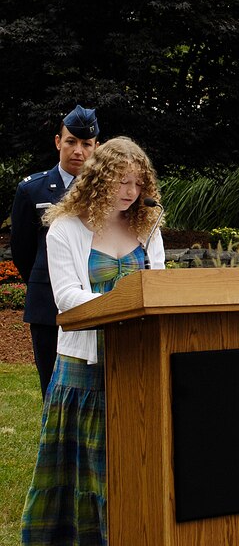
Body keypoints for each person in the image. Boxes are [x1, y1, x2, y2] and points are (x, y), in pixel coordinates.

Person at [20, 137, 165, 546]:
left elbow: (158, 288)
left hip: (138, 362)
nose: (130, 192)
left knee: (133, 465)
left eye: (137, 183)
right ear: (99, 178)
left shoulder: (147, 225)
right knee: (86, 472)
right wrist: (124, 302)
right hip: (84, 369)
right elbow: (66, 298)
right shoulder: (65, 226)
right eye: (121, 182)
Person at [11, 105, 100, 399]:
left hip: (95, 298)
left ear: (96, 146)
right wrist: (44, 281)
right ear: (58, 142)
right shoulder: (32, 190)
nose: (78, 151)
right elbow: (22, 249)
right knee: (51, 384)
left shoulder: (108, 191)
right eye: (71, 141)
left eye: (86, 144)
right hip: (48, 302)